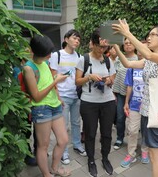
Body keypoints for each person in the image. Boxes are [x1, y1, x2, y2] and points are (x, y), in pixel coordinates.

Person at [112, 20, 158, 177]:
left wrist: (127, 33)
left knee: (156, 153)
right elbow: (127, 63)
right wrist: (115, 46)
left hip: (157, 112)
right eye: (149, 34)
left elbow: (147, 53)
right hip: (146, 110)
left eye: (153, 34)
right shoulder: (149, 60)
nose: (149, 37)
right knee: (155, 153)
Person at [24, 34, 70, 177]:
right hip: (41, 108)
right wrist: (56, 82)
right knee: (42, 145)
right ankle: (46, 174)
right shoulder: (28, 68)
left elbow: (49, 81)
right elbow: (36, 97)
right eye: (47, 54)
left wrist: (59, 97)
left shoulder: (45, 63)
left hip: (55, 105)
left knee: (63, 140)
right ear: (36, 52)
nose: (50, 56)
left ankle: (54, 168)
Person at [75, 29, 116, 177]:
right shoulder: (83, 59)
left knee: (106, 133)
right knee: (90, 133)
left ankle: (105, 158)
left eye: (104, 47)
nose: (102, 49)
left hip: (108, 101)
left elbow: (113, 78)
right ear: (92, 44)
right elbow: (77, 81)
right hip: (89, 102)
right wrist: (89, 77)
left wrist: (109, 80)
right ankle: (91, 160)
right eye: (99, 46)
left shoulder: (108, 60)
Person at [50, 29, 86, 165]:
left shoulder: (79, 56)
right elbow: (53, 77)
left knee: (76, 122)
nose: (77, 41)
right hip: (63, 96)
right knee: (63, 126)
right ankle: (63, 152)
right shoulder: (57, 55)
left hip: (76, 95)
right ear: (66, 39)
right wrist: (58, 97)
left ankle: (77, 145)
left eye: (78, 39)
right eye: (74, 38)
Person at [120, 50, 150, 168]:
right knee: (132, 130)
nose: (141, 51)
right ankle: (131, 153)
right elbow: (130, 86)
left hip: (148, 105)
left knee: (146, 130)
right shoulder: (132, 68)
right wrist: (126, 102)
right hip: (134, 105)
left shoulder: (152, 66)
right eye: (140, 48)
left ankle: (144, 150)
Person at [113, 38, 138, 150]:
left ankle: (134, 140)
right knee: (120, 117)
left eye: (130, 43)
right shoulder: (119, 58)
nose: (128, 45)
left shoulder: (138, 59)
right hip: (120, 93)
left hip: (135, 94)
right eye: (126, 43)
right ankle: (119, 138)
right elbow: (116, 75)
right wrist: (114, 92)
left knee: (134, 120)